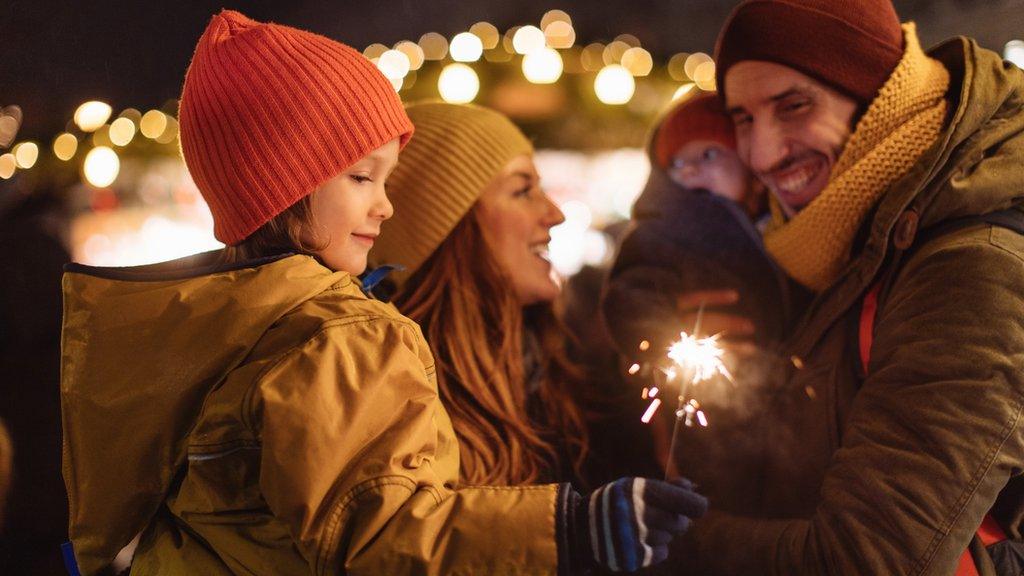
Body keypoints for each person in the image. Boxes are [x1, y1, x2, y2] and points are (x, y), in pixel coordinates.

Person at [59, 11, 706, 575]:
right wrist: (573, 527)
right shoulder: (340, 336)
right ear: (283, 189)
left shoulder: (225, 328)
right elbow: (379, 532)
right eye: (363, 177)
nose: (386, 206)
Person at [665, 0, 1024, 574]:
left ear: (876, 94)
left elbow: (865, 560)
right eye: (744, 118)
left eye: (794, 106)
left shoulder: (971, 267)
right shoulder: (842, 240)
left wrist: (663, 541)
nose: (761, 152)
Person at [370, 101, 660, 488]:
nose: (555, 213)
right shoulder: (392, 408)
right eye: (523, 191)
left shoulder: (572, 381)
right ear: (449, 229)